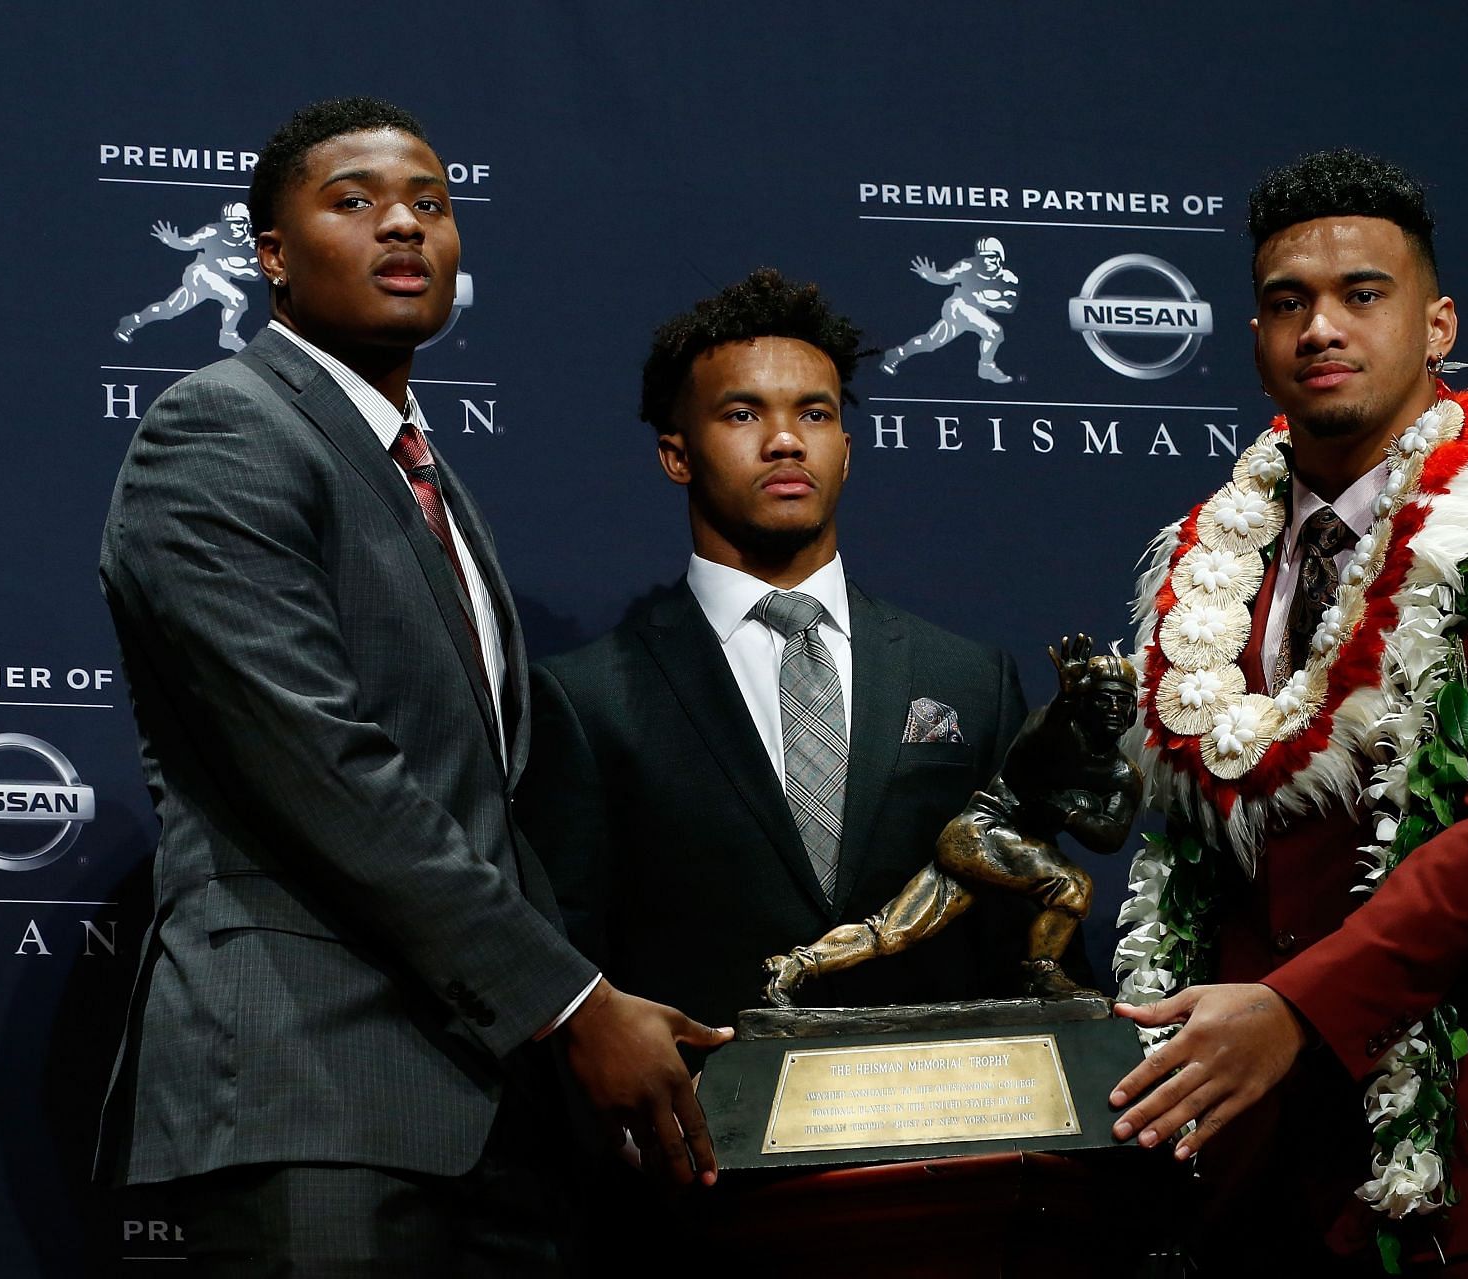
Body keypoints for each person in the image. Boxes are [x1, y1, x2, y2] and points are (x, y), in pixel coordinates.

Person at [96, 97, 724, 1276]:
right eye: (356, 202)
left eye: (430, 205)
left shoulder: (426, 467)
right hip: (315, 1090)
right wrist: (575, 1003)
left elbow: (482, 801)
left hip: (487, 1105)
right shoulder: (222, 430)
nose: (404, 226)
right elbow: (322, 768)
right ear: (269, 257)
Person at [1106, 150, 1468, 1274]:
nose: (1321, 327)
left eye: (1363, 294)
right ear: (1257, 337)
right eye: (1287, 303)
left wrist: (1294, 1009)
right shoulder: (1205, 565)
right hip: (1263, 1172)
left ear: (1437, 322)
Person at [516, 267, 1033, 1046]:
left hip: (945, 1138)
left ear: (847, 451)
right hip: (700, 1143)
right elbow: (568, 968)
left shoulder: (971, 680)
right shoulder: (587, 701)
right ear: (676, 456)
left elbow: (1021, 937)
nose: (786, 439)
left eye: (814, 413)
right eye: (742, 412)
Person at [762, 634, 1140, 1006]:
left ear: (1133, 710)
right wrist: (1065, 699)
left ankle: (796, 964)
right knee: (1072, 885)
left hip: (994, 853)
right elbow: (1039, 739)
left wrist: (1067, 813)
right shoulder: (1057, 733)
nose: (1112, 708)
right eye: (1102, 698)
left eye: (1122, 701)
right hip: (982, 833)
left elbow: (1110, 837)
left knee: (892, 932)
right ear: (1083, 702)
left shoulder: (1122, 775)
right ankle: (1040, 971)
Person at [114, 202, 261, 351]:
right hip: (200, 274)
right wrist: (174, 242)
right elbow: (189, 243)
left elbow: (255, 274)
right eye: (229, 223)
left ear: (247, 223)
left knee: (168, 310)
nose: (233, 227)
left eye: (238, 223)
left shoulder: (252, 244)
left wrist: (227, 266)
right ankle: (228, 336)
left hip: (219, 280)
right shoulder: (212, 231)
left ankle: (133, 321)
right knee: (238, 299)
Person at [879, 236, 1020, 383]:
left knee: (929, 342)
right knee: (994, 331)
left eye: (990, 257)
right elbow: (946, 277)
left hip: (975, 313)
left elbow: (1009, 306)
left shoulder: (1008, 279)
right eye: (982, 257)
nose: (986, 261)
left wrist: (984, 300)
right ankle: (986, 367)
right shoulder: (968, 266)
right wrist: (932, 276)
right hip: (958, 307)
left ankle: (897, 354)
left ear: (999, 257)